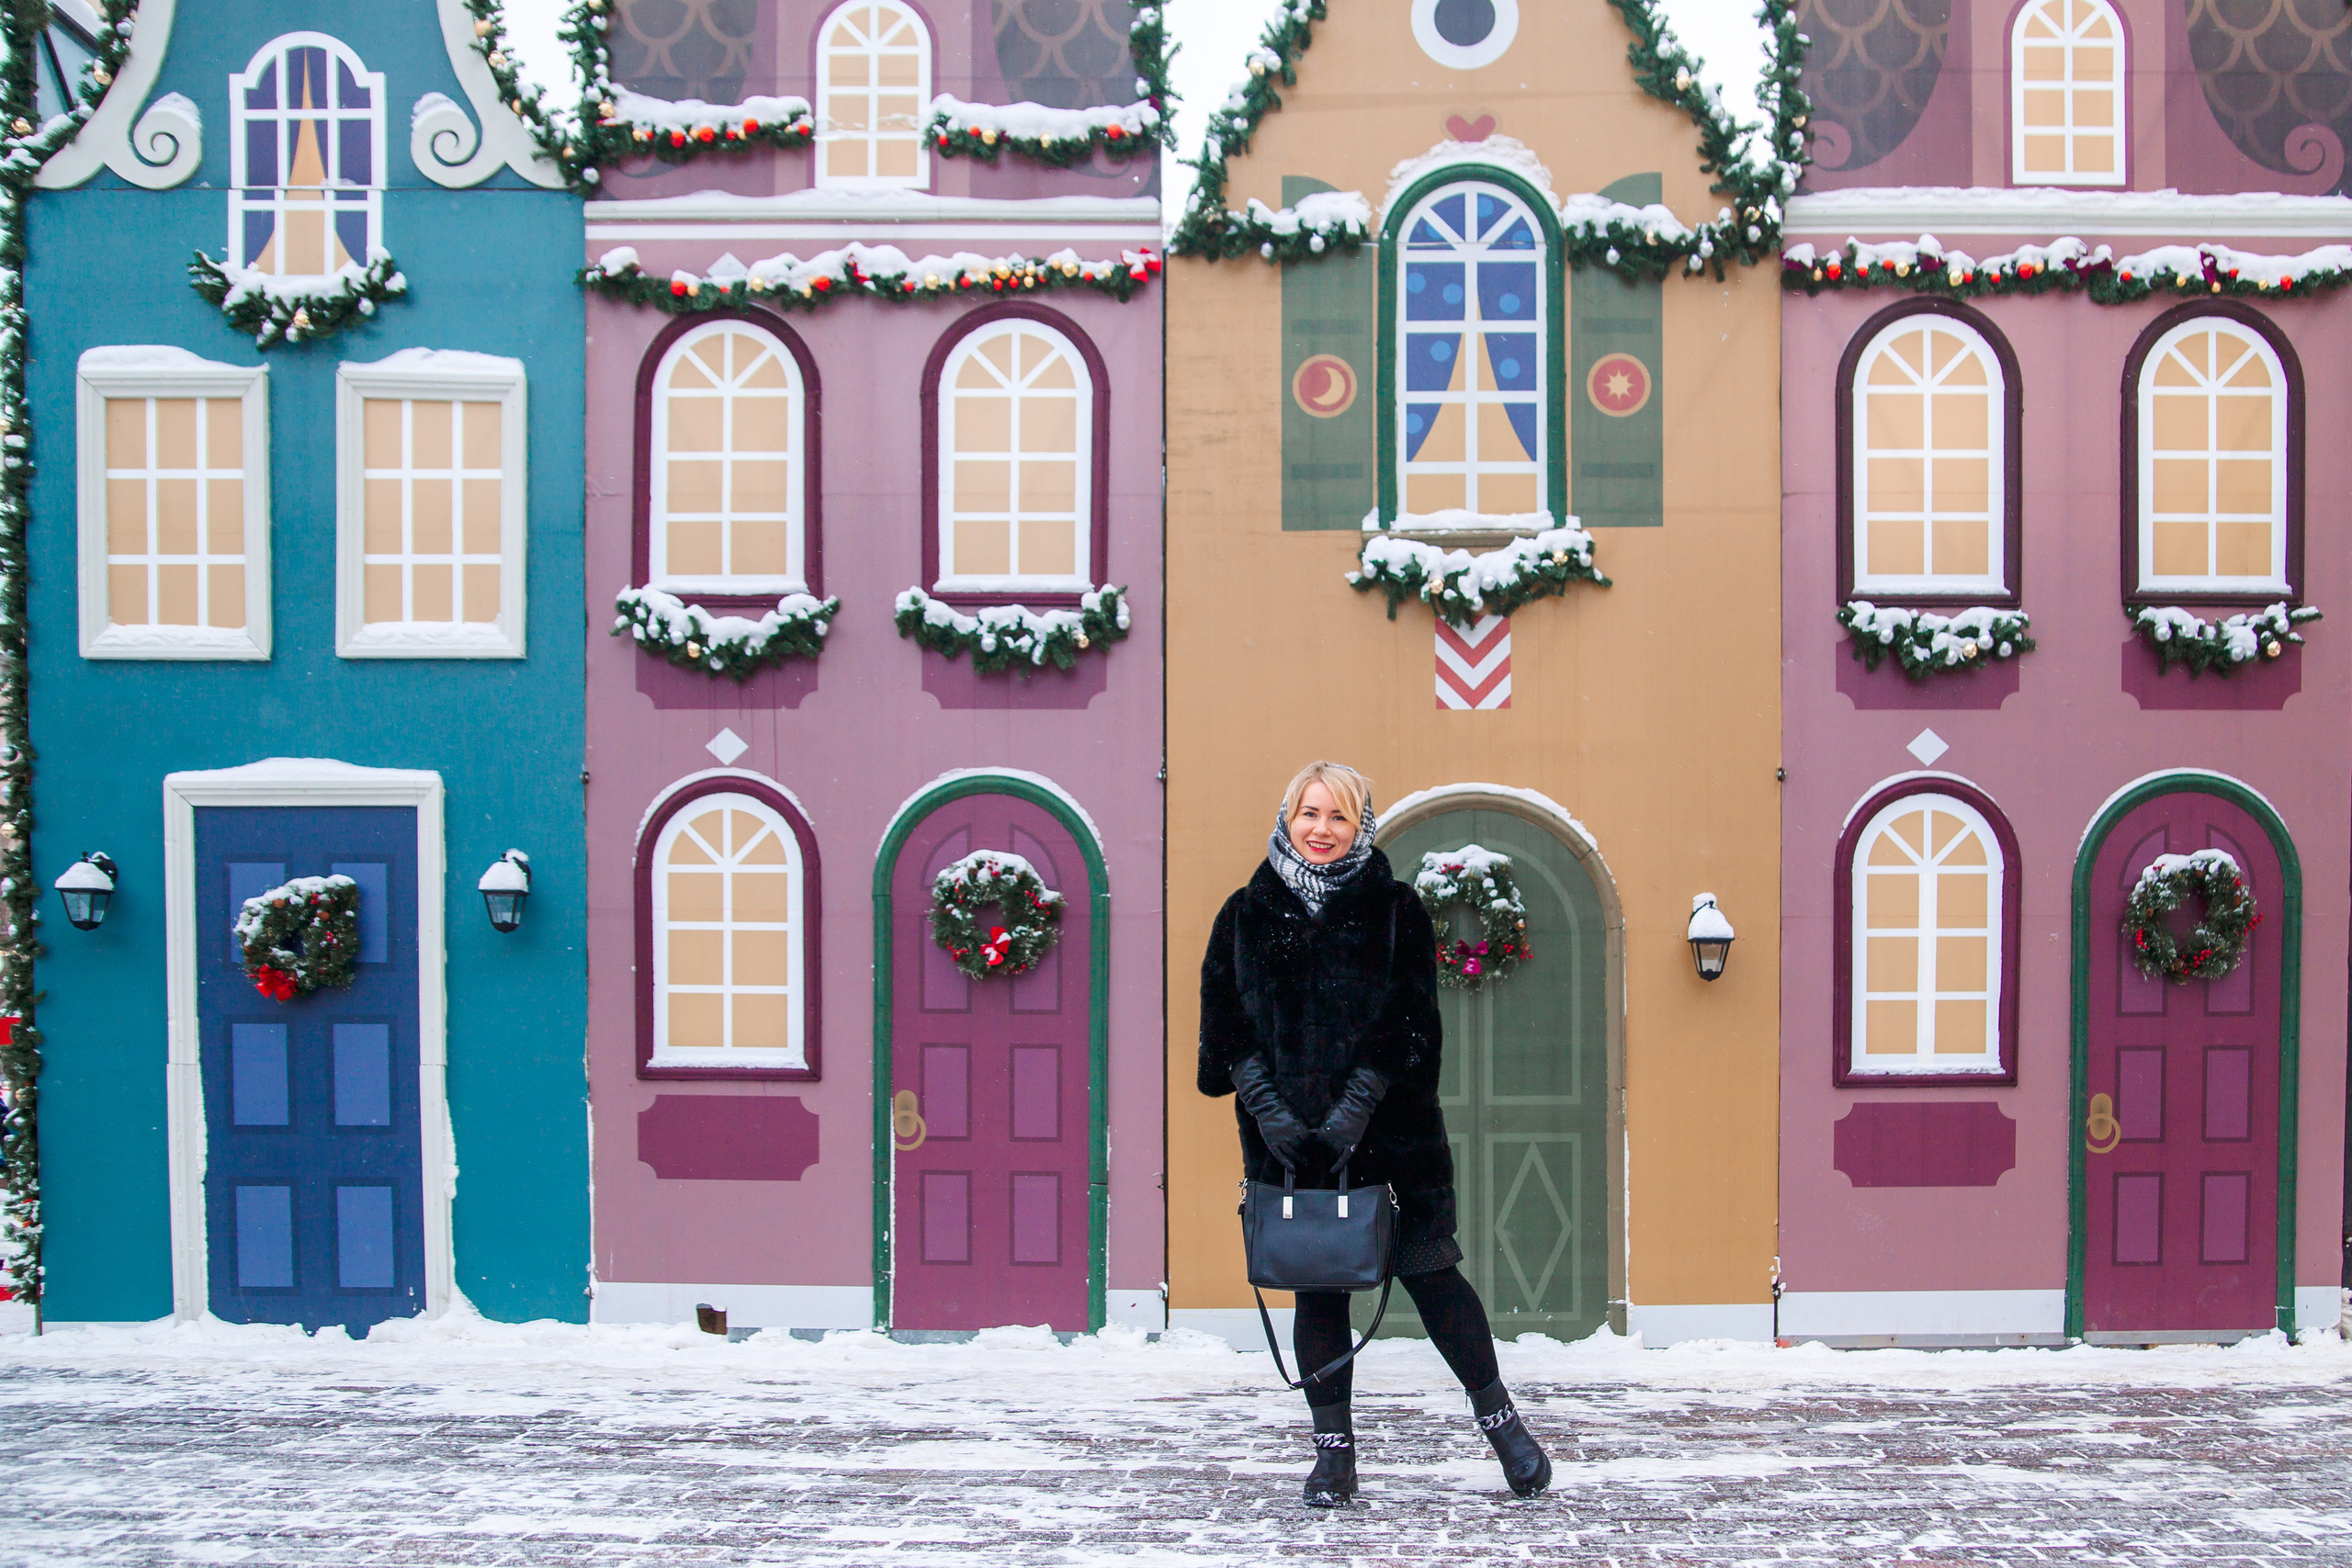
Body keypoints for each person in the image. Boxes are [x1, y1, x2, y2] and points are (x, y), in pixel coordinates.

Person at [1198, 761, 1552, 1506]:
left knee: (1433, 1278)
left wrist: (1356, 1108)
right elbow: (1226, 1027)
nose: (1322, 829)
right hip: (1291, 1150)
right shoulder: (1243, 913)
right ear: (1287, 816)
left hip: (1394, 1146)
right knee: (1319, 1295)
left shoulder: (1397, 909)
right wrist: (1271, 1111)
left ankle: (1504, 1425)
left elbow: (1412, 1023)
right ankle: (1334, 1457)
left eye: (1340, 816)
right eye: (1310, 813)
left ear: (1362, 825)